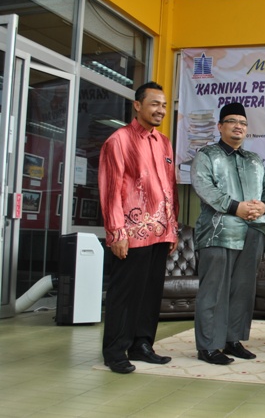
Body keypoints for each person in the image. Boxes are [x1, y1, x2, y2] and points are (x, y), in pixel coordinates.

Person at [98, 81, 179, 374]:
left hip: (161, 232)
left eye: (164, 105)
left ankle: (142, 345)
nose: (161, 110)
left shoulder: (164, 142)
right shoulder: (118, 141)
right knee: (125, 295)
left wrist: (172, 227)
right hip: (131, 234)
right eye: (155, 104)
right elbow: (110, 190)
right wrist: (116, 233)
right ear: (137, 105)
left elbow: (170, 187)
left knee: (150, 294)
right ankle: (115, 352)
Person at [191, 102, 265, 365]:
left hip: (254, 231)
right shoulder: (207, 155)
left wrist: (264, 206)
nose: (238, 126)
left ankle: (232, 340)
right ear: (220, 126)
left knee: (242, 290)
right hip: (219, 232)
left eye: (243, 123)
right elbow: (204, 187)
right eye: (232, 121)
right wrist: (235, 207)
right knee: (213, 290)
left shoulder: (254, 160)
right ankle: (208, 346)